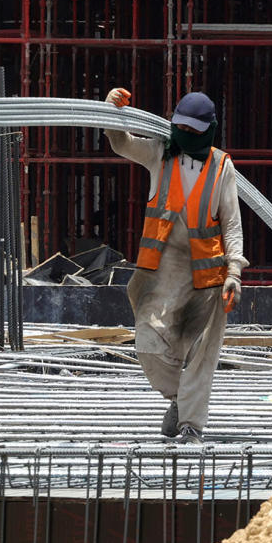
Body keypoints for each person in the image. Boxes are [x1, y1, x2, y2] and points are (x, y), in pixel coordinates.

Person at [104, 87, 247, 444]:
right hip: (161, 271)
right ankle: (180, 402)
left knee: (202, 354)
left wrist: (234, 273)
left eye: (193, 130)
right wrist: (110, 112)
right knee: (148, 345)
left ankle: (191, 426)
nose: (185, 135)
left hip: (208, 275)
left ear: (209, 129)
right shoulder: (159, 152)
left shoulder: (221, 166)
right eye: (180, 127)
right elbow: (121, 143)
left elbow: (231, 223)